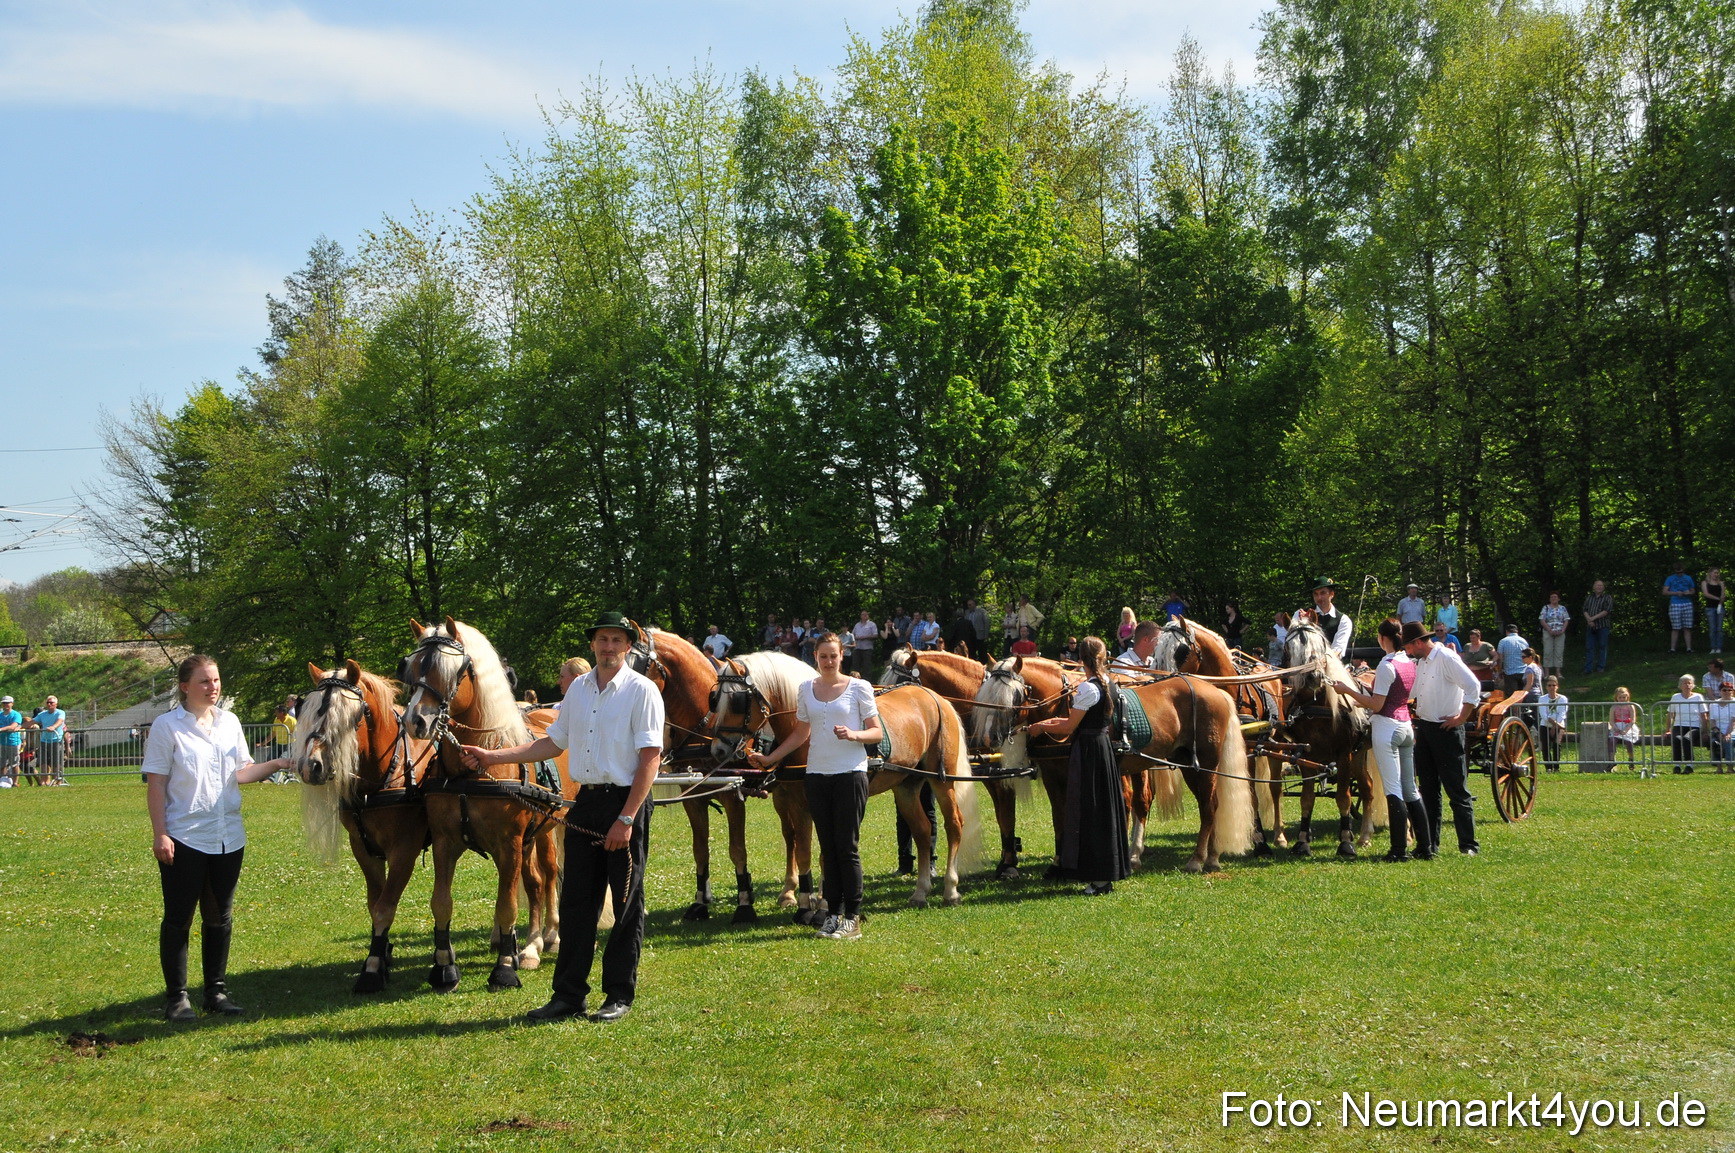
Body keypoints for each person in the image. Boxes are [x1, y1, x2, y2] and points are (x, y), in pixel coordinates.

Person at [463, 611, 663, 1023]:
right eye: (602, 640)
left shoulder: (642, 691)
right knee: (575, 906)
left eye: (616, 640)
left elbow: (650, 759)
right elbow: (552, 744)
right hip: (585, 802)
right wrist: (492, 756)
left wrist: (626, 820)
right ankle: (568, 996)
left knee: (624, 904)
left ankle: (618, 995)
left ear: (628, 646)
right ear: (593, 645)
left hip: (625, 803)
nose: (609, 647)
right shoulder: (579, 692)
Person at [144, 655, 292, 1021]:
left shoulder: (230, 722)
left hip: (229, 836)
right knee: (179, 918)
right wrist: (160, 834)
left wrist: (276, 764)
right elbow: (156, 783)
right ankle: (177, 998)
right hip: (184, 835)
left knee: (219, 916)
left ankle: (216, 993)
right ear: (185, 687)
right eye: (205, 681)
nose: (213, 687)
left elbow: (240, 773)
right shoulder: (167, 726)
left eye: (216, 680)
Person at [747, 632, 881, 939]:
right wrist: (771, 759)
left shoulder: (859, 688)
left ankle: (853, 917)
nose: (828, 661)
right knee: (828, 848)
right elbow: (800, 734)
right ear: (816, 657)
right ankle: (832, 914)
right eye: (823, 656)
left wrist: (854, 735)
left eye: (833, 656)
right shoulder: (806, 689)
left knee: (847, 848)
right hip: (818, 776)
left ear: (841, 656)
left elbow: (875, 732)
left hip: (850, 773)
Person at [1027, 637, 1131, 894]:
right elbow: (1076, 720)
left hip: (1088, 751)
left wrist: (1040, 727)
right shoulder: (1108, 683)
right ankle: (1102, 874)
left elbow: (1069, 727)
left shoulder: (1087, 689)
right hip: (1102, 747)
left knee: (1090, 812)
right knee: (1101, 811)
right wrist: (1052, 721)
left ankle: (1098, 879)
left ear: (1080, 660)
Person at [1330, 619, 1430, 862]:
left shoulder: (1387, 665)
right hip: (1406, 726)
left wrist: (1347, 690)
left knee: (1394, 789)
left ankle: (1398, 850)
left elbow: (1377, 704)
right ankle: (1425, 846)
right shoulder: (1409, 662)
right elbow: (1410, 695)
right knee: (1410, 788)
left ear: (1382, 638)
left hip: (1387, 728)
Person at [1410, 623, 1485, 856]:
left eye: (1409, 647)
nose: (1408, 652)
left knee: (1456, 790)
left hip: (1445, 731)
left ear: (1419, 643)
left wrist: (1461, 718)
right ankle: (1431, 845)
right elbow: (1413, 693)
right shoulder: (1421, 662)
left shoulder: (1446, 657)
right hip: (1425, 728)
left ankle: (1468, 845)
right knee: (1429, 790)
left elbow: (1473, 686)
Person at [1299, 579, 1352, 658]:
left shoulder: (1343, 620)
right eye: (1315, 594)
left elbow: (1337, 651)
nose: (1319, 597)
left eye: (1323, 593)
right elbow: (1293, 645)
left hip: (1331, 666)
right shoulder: (1300, 614)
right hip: (1302, 665)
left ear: (1332, 594)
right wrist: (1304, 623)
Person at [1667, 675, 1706, 772]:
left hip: (1694, 726)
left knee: (1687, 739)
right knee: (1676, 739)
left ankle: (1690, 765)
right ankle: (1677, 765)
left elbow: (1703, 715)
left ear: (1693, 685)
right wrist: (1668, 730)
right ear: (1680, 685)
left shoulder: (1698, 697)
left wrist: (1705, 731)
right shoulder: (1675, 697)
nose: (1687, 685)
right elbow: (1670, 715)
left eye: (1689, 683)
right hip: (1679, 725)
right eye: (1685, 683)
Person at [31, 695, 66, 785]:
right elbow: (32, 722)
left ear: (56, 704)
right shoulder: (42, 714)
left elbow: (60, 721)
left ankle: (57, 780)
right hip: (44, 741)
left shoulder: (60, 712)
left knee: (56, 762)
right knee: (43, 762)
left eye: (51, 702)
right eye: (48, 702)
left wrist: (53, 727)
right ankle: (45, 780)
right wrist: (19, 726)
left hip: (56, 740)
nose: (49, 704)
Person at [1536, 676, 1569, 772]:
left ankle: (1556, 767)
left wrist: (1555, 725)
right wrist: (1552, 722)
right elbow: (1543, 714)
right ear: (1546, 687)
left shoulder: (1563, 698)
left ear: (1557, 686)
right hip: (1545, 725)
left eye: (1553, 685)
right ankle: (1548, 767)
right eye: (1549, 685)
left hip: (1559, 726)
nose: (1551, 687)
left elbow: (1562, 713)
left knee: (1557, 746)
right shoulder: (1542, 699)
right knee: (1545, 747)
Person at [1663, 561, 1696, 653]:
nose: (1679, 574)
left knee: (1687, 627)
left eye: (1681, 572)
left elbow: (1693, 591)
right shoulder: (1670, 579)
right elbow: (1665, 591)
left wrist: (1688, 593)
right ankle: (1672, 649)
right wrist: (1675, 593)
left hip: (1687, 603)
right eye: (1678, 572)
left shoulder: (1688, 578)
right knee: (1675, 627)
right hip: (1675, 603)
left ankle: (1689, 648)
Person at [1581, 580, 1612, 673]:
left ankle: (1600, 667)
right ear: (1594, 587)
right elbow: (1584, 609)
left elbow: (1607, 611)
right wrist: (1589, 620)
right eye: (1597, 585)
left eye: (1601, 585)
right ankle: (1588, 669)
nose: (1599, 587)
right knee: (1589, 647)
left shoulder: (1607, 597)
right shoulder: (1589, 598)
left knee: (1603, 647)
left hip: (1603, 626)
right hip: (1591, 626)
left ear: (1604, 587)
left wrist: (1593, 618)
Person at [1537, 592, 1570, 679]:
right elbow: (1542, 620)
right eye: (1552, 597)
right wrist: (1549, 630)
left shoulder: (1562, 608)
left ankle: (1558, 672)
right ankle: (1547, 673)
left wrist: (1562, 630)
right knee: (1547, 651)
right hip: (1548, 632)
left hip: (1560, 632)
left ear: (1559, 599)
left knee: (1559, 651)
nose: (1554, 598)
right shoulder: (1546, 608)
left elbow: (1566, 620)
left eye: (1555, 597)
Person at [1610, 687, 1642, 772]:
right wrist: (1616, 728)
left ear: (1627, 697)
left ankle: (1631, 759)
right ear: (1616, 698)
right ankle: (1612, 760)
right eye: (1620, 697)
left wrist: (1626, 729)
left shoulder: (1630, 706)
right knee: (1612, 740)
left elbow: (1633, 720)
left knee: (1629, 741)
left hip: (1628, 726)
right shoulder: (1614, 707)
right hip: (1617, 725)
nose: (1622, 699)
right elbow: (1611, 720)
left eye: (1624, 697)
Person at [1708, 681, 1735, 772]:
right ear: (1720, 691)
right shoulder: (1714, 704)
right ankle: (1718, 767)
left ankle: (1730, 767)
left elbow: (1733, 721)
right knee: (1714, 742)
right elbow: (1712, 721)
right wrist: (1717, 732)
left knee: (1728, 740)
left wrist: (1727, 734)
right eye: (1724, 690)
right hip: (1717, 730)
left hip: (1732, 730)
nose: (1727, 692)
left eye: (1729, 690)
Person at [1496, 624, 1529, 694]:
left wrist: (1500, 671)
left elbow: (1500, 658)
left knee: (1511, 696)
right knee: (1522, 694)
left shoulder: (1503, 641)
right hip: (1523, 671)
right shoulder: (1524, 641)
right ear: (1517, 631)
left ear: (1506, 631)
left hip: (1509, 672)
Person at [1703, 567, 1726, 654]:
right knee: (1712, 628)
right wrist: (1717, 598)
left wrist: (1720, 602)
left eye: (1717, 573)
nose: (1716, 575)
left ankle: (1719, 647)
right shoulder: (1705, 583)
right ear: (1710, 573)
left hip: (1720, 607)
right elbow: (1706, 594)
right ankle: (1713, 647)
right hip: (1710, 607)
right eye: (1714, 573)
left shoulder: (1721, 583)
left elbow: (1723, 595)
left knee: (1719, 628)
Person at [850, 610, 879, 676]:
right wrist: (856, 638)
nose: (864, 616)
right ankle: (856, 680)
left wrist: (865, 637)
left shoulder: (872, 624)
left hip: (867, 648)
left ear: (868, 616)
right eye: (863, 614)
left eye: (866, 614)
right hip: (857, 647)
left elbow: (875, 635)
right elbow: (852, 635)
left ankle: (867, 681)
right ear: (860, 616)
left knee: (867, 666)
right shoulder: (857, 625)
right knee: (856, 665)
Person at [0, 695, 20, 788]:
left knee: (14, 763)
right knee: (2, 763)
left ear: (12, 704)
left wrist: (1, 729)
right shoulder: (0, 714)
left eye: (8, 703)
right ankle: (3, 780)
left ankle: (15, 782)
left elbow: (13, 726)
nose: (6, 704)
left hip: (13, 742)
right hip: (2, 742)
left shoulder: (16, 714)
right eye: (4, 703)